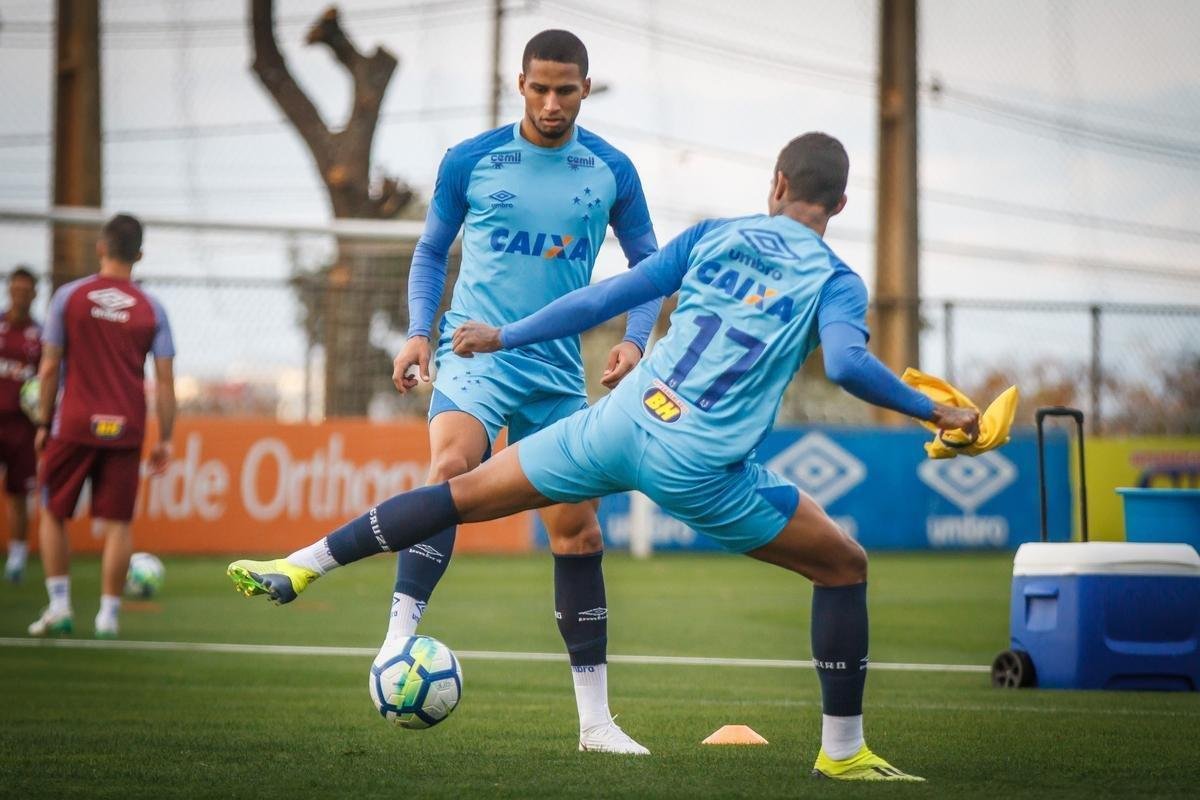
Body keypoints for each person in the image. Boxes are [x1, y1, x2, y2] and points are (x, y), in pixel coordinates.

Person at [228, 132, 979, 781]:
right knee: (844, 564)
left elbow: (603, 296)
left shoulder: (713, 235)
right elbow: (849, 367)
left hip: (617, 423)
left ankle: (304, 563)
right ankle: (842, 752)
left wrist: (502, 335)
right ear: (840, 207)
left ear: (776, 186)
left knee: (458, 494)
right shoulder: (835, 280)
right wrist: (937, 410)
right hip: (698, 470)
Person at [386, 29, 661, 754]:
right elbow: (427, 251)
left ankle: (596, 725)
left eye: (564, 90)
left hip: (554, 373)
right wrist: (421, 331)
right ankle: (395, 642)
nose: (550, 102)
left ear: (585, 89)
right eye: (538, 88)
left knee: (580, 530)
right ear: (520, 84)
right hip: (474, 350)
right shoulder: (471, 161)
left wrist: (635, 340)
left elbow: (650, 268)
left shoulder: (612, 170)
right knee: (450, 469)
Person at [29, 213, 176, 639]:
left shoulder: (68, 298)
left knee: (54, 513)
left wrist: (42, 421)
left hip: (73, 423)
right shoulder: (153, 308)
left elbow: (50, 364)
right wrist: (165, 438)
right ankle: (108, 615)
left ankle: (59, 605)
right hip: (126, 426)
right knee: (119, 525)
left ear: (100, 247)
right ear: (140, 255)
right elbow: (165, 381)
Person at [1, 267, 41, 582]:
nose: (21, 295)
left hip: (23, 426)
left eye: (27, 290)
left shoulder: (39, 335)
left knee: (19, 493)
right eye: (16, 289)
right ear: (9, 290)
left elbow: (47, 379)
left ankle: (16, 557)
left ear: (35, 294)